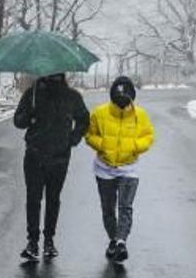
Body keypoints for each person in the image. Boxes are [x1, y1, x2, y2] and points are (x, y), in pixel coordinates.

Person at [12, 73, 90, 262]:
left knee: (53, 199)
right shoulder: (32, 94)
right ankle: (33, 242)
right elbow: (18, 122)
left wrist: (73, 139)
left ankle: (48, 241)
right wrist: (28, 114)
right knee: (34, 199)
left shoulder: (72, 96)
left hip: (59, 156)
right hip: (35, 154)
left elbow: (84, 119)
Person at [85, 76, 154, 263]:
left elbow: (148, 137)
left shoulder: (141, 115)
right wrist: (103, 144)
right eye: (118, 93)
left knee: (125, 207)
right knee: (108, 209)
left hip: (129, 169)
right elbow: (89, 134)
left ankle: (121, 242)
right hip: (104, 169)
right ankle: (113, 239)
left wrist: (134, 145)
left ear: (132, 95)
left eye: (126, 94)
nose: (122, 97)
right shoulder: (99, 113)